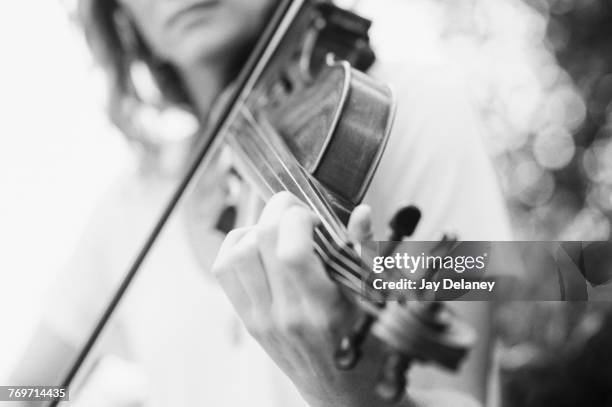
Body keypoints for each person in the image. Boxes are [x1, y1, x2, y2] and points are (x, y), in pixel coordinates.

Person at [9, 0, 512, 406]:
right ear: (116, 12)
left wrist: (354, 396)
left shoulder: (408, 109)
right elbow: (23, 392)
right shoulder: (130, 206)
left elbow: (455, 395)